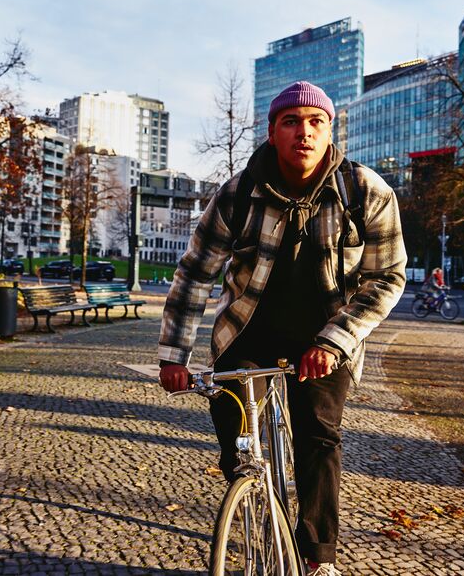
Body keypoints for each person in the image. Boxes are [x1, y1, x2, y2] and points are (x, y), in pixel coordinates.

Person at [158, 81, 407, 575]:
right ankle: (249, 488)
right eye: (291, 122)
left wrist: (334, 341)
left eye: (316, 122)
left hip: (325, 339)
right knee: (235, 424)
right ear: (273, 132)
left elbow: (387, 277)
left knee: (318, 435)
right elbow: (196, 272)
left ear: (330, 130)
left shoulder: (365, 191)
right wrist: (174, 356)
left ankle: (317, 557)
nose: (304, 132)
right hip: (249, 331)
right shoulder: (237, 194)